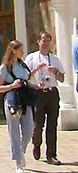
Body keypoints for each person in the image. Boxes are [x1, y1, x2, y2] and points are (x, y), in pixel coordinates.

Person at [0, 40, 41, 173]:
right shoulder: (4, 67)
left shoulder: (22, 64)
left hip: (25, 100)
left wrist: (37, 85)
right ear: (13, 50)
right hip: (12, 101)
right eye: (20, 50)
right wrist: (12, 86)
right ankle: (18, 163)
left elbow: (26, 80)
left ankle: (20, 152)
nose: (22, 52)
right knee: (14, 132)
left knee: (29, 130)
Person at [25, 31, 66, 165]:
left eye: (48, 41)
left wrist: (56, 72)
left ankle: (51, 155)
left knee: (52, 124)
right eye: (43, 40)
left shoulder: (55, 59)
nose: (45, 43)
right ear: (39, 42)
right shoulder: (31, 58)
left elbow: (62, 78)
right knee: (38, 125)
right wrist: (36, 70)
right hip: (38, 93)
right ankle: (36, 144)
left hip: (52, 93)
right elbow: (25, 76)